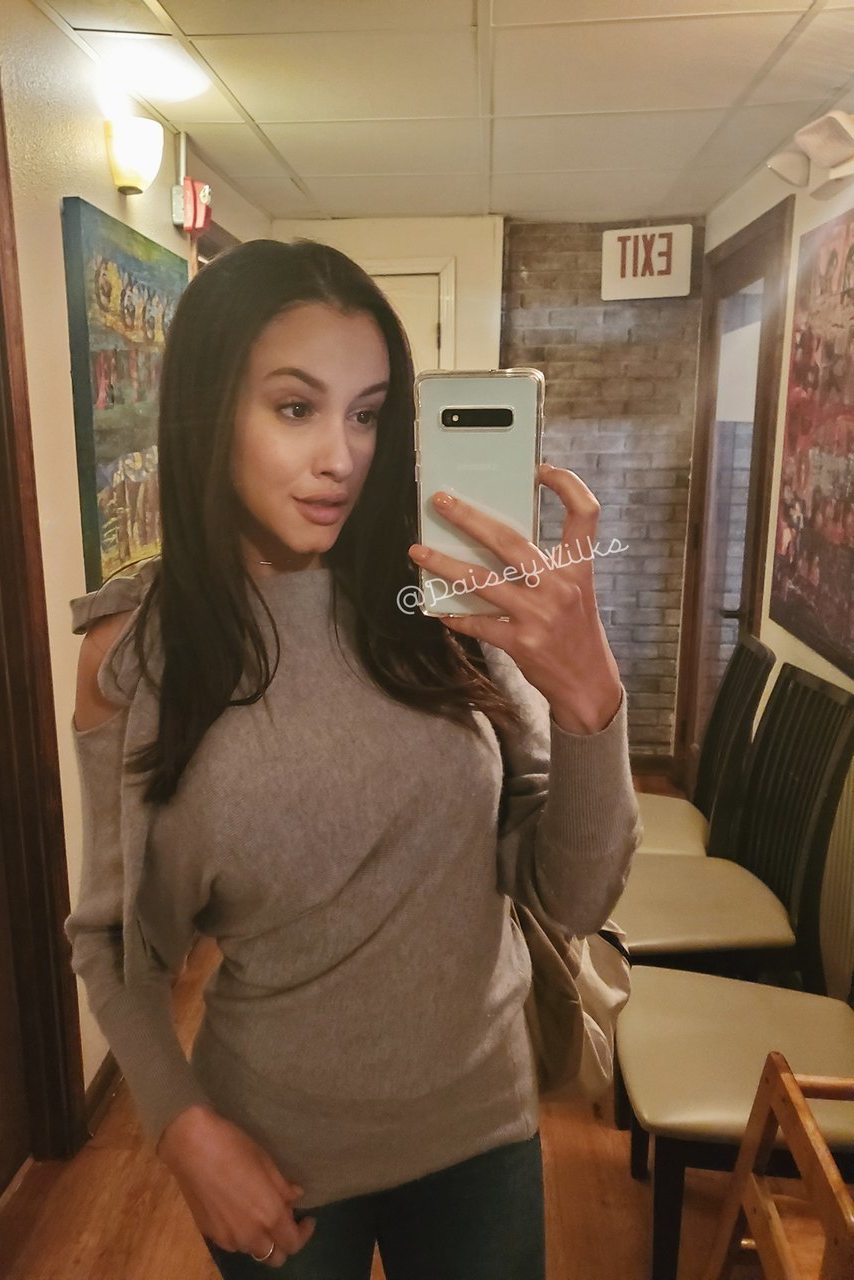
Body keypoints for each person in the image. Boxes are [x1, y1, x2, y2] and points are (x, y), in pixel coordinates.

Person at [65, 238, 640, 1279]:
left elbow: (573, 894)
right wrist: (182, 1126)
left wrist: (590, 700)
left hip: (480, 1129)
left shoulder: (440, 603)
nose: (342, 455)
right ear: (209, 410)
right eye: (297, 407)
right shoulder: (135, 655)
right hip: (275, 1150)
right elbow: (113, 940)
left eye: (369, 414)